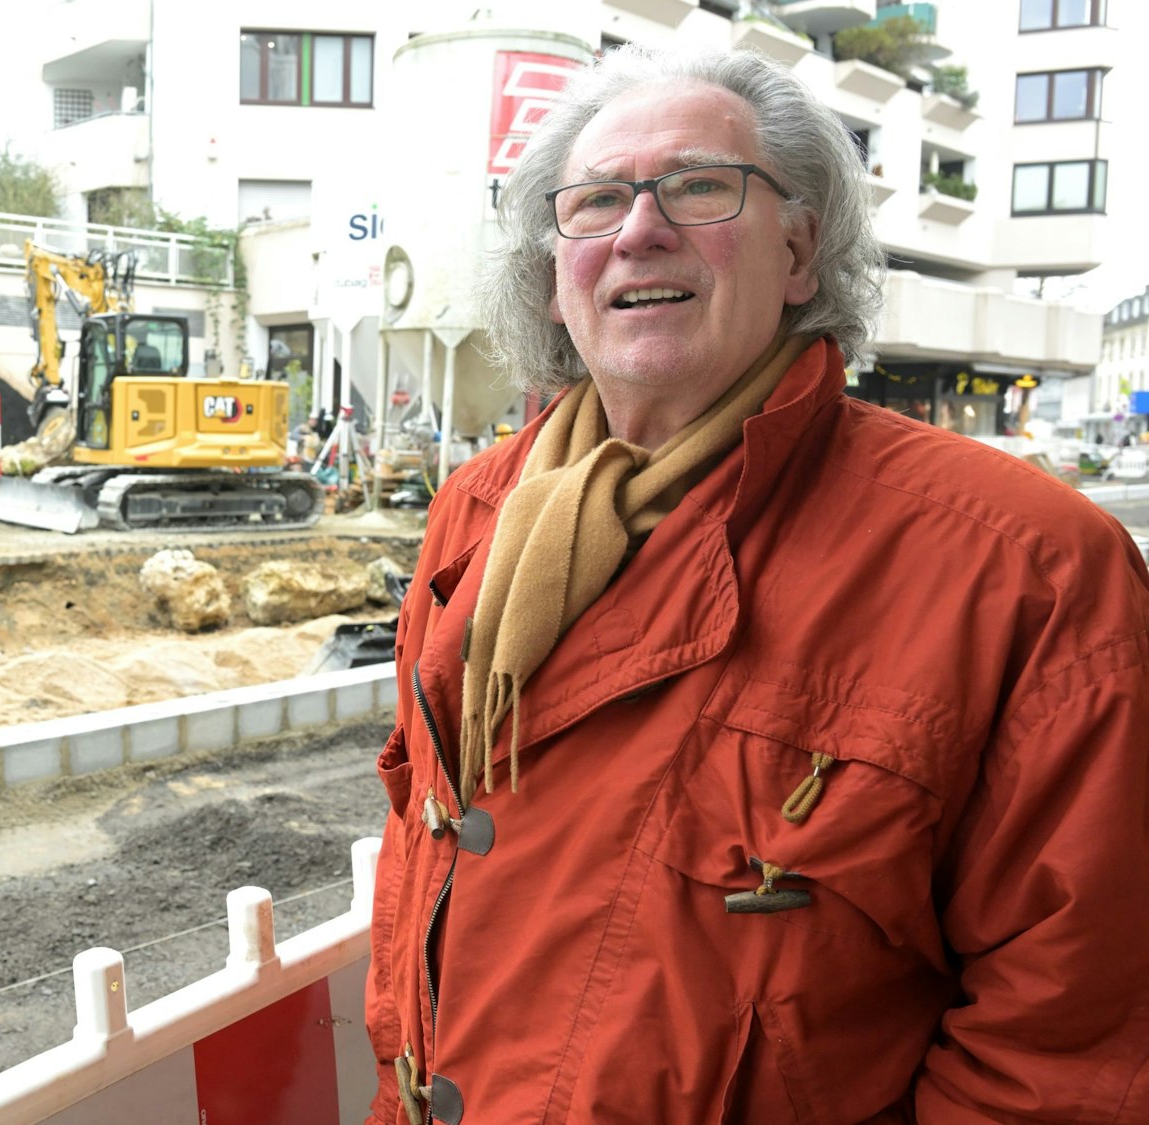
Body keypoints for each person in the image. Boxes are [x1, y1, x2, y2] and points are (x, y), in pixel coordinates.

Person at [365, 45, 1149, 1125]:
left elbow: (1068, 1039)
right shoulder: (478, 513)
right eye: (593, 202)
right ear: (552, 278)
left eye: (697, 185)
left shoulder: (1024, 567)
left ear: (798, 251)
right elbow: (424, 856)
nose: (638, 228)